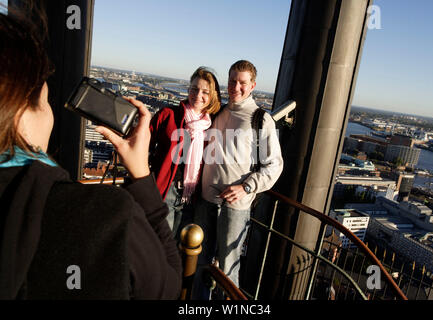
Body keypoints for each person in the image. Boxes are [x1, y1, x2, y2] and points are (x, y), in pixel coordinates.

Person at [0, 10, 181, 299]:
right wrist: (142, 177)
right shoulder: (106, 216)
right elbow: (168, 286)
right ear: (20, 111)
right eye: (45, 102)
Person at [193, 60, 284, 298]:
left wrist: (247, 187)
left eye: (242, 82)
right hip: (206, 201)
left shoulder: (260, 120)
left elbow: (274, 165)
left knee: (228, 268)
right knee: (200, 263)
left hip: (235, 206)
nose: (236, 86)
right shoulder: (219, 112)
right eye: (232, 80)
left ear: (252, 85)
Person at [149, 67, 221, 238]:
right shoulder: (168, 115)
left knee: (182, 246)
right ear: (188, 90)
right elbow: (144, 145)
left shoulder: (213, 125)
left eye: (205, 92)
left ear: (212, 97)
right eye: (194, 89)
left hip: (193, 195)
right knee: (161, 242)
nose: (198, 95)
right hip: (166, 190)